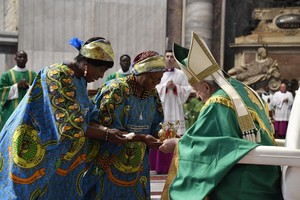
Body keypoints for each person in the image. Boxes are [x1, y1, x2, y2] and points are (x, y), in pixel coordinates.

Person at [0, 37, 128, 199]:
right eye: (101, 70)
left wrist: (107, 129)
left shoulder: (80, 80)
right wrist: (107, 134)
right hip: (30, 150)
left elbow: (90, 114)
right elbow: (69, 125)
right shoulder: (57, 74)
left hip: (55, 156)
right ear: (87, 64)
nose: (101, 76)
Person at [159, 32, 283, 200]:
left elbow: (208, 148)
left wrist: (177, 144)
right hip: (267, 170)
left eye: (197, 90)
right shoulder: (240, 88)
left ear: (206, 87)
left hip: (246, 178)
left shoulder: (217, 103)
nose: (197, 96)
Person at [90, 50, 165, 199]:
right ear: (139, 73)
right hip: (110, 159)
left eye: (159, 78)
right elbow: (106, 130)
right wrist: (143, 138)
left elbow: (156, 124)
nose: (156, 83)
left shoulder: (152, 93)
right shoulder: (117, 89)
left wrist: (164, 136)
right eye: (152, 78)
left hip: (138, 164)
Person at [150, 49, 191, 174]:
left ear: (175, 59)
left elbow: (188, 89)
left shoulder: (181, 74)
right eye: (167, 56)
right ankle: (160, 166)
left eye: (172, 57)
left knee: (176, 132)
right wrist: (164, 87)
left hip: (175, 109)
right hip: (162, 109)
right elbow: (152, 87)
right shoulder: (159, 73)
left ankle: (176, 165)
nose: (169, 59)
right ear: (164, 58)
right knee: (161, 133)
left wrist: (176, 88)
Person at [0, 50, 37, 130]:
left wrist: (28, 88)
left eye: (24, 57)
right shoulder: (7, 75)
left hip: (28, 111)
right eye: (20, 57)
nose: (22, 59)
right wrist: (16, 86)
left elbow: (39, 90)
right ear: (15, 58)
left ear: (27, 59)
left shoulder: (33, 75)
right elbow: (1, 91)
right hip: (11, 111)